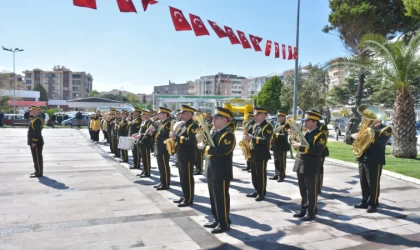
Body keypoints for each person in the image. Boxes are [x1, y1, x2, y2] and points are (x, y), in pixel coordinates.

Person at [199, 107, 236, 234]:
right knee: (213, 197)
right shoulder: (216, 131)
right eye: (214, 117)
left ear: (224, 119)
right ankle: (216, 219)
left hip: (221, 171)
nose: (213, 119)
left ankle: (224, 222)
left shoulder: (228, 134)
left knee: (221, 197)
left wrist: (206, 149)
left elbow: (223, 151)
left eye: (216, 118)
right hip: (212, 169)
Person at [351, 115, 391, 213]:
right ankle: (364, 201)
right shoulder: (367, 128)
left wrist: (370, 135)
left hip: (375, 159)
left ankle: (373, 203)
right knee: (363, 181)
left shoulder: (386, 128)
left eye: (371, 116)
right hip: (362, 157)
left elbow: (381, 142)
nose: (367, 119)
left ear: (378, 118)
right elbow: (356, 140)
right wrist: (353, 136)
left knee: (373, 183)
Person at [292, 110, 327, 221]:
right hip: (301, 164)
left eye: (307, 120)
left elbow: (317, 150)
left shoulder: (320, 135)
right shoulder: (306, 133)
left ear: (314, 122)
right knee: (303, 190)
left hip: (311, 166)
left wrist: (300, 147)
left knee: (312, 191)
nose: (304, 122)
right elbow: (298, 148)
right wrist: (294, 141)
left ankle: (311, 212)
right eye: (304, 120)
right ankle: (303, 209)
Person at [170, 105, 199, 207]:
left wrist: (176, 137)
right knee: (182, 177)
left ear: (189, 114)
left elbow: (192, 141)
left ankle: (189, 198)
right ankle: (184, 195)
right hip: (181, 154)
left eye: (183, 113)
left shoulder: (193, 126)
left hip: (187, 155)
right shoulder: (184, 124)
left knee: (187, 177)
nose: (180, 114)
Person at [244, 107, 273, 202]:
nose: (255, 116)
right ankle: (256, 190)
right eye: (255, 115)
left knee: (261, 174)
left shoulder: (267, 126)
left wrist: (252, 138)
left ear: (264, 115)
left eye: (257, 115)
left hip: (262, 154)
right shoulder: (256, 126)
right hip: (254, 152)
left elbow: (265, 140)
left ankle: (262, 192)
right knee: (254, 174)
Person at [151, 107, 172, 190]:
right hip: (159, 147)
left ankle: (166, 183)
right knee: (160, 166)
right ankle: (162, 182)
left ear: (165, 114)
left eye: (160, 113)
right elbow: (157, 135)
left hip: (164, 148)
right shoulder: (162, 123)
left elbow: (164, 135)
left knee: (164, 166)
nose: (158, 115)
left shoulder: (168, 123)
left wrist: (154, 130)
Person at [270, 110, 290, 182]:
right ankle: (277, 173)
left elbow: (285, 135)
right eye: (278, 116)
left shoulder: (286, 125)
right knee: (276, 161)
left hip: (282, 146)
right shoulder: (277, 125)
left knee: (282, 162)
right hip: (275, 145)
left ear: (283, 117)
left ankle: (281, 175)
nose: (278, 117)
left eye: (279, 116)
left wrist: (275, 135)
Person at [27, 105, 44, 178]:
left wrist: (34, 142)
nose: (30, 111)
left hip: (36, 143)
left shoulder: (37, 120)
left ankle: (39, 172)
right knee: (35, 157)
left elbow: (37, 132)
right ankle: (37, 170)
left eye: (31, 110)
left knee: (37, 157)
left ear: (36, 111)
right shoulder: (34, 119)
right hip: (34, 142)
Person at [136, 109, 153, 177]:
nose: (141, 116)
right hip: (141, 141)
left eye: (143, 114)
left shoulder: (149, 122)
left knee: (146, 158)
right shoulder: (144, 122)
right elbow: (142, 131)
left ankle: (147, 172)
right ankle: (144, 171)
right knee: (143, 158)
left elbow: (148, 133)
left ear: (147, 115)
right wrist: (136, 134)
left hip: (146, 142)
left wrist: (140, 135)